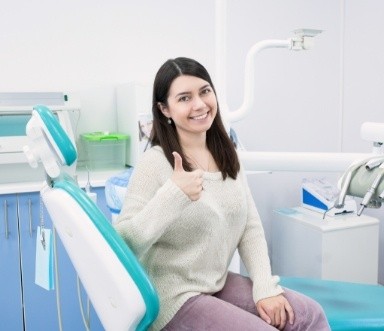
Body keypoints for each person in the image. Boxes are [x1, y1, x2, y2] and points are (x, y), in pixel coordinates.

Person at [114, 57, 330, 331]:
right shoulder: (154, 163)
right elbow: (123, 244)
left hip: (215, 282)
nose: (200, 104)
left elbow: (249, 227)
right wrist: (173, 195)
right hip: (172, 297)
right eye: (184, 98)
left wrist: (265, 287)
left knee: (308, 314)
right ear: (164, 109)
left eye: (205, 91)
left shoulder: (228, 155)